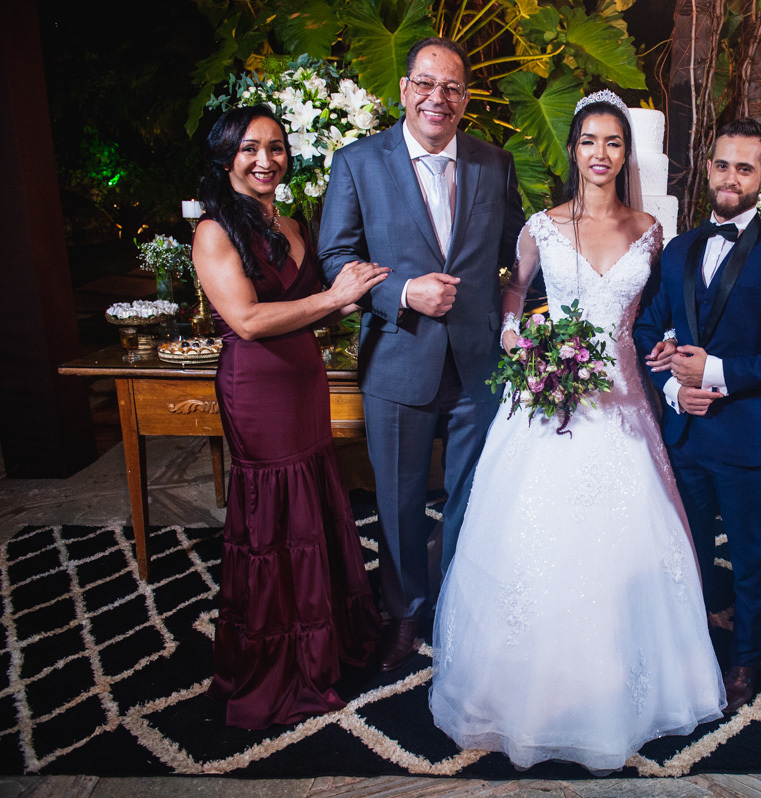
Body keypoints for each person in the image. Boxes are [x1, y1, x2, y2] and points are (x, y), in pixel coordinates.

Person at [429, 91, 725, 773]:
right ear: (573, 149)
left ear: (625, 155)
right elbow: (514, 289)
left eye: (612, 143)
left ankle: (620, 691)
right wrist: (515, 331)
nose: (600, 153)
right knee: (533, 538)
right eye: (589, 140)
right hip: (548, 401)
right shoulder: (542, 225)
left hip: (623, 405)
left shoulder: (650, 230)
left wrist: (667, 342)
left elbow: (656, 314)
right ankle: (534, 692)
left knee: (624, 541)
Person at [319, 38, 525, 671]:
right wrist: (404, 292)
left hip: (478, 362)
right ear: (405, 90)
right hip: (398, 356)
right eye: (427, 84)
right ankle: (405, 613)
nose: (439, 97)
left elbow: (519, 257)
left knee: (473, 495)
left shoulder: (495, 163)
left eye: (453, 87)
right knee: (399, 500)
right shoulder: (358, 163)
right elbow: (335, 257)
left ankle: (458, 605)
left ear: (466, 98)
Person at [192, 105, 386, 729]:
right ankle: (280, 662)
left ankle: (324, 645)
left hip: (304, 380)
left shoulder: (291, 221)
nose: (265, 160)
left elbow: (310, 308)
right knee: (276, 518)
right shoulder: (214, 231)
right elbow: (248, 321)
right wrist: (334, 295)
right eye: (250, 148)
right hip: (258, 388)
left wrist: (362, 294)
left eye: (275, 147)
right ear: (226, 158)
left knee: (314, 505)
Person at [633, 118, 761, 713]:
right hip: (683, 434)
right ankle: (694, 641)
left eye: (744, 168)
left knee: (749, 553)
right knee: (685, 549)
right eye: (722, 164)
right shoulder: (680, 248)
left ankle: (744, 660)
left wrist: (713, 372)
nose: (730, 177)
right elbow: (646, 328)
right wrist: (670, 386)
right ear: (708, 169)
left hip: (743, 438)